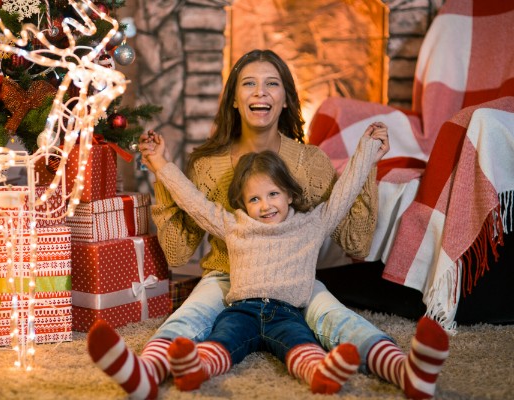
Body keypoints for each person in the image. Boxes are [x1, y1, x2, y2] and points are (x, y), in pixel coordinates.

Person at [87, 49, 449, 400]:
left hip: (295, 277)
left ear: (287, 98)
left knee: (339, 317)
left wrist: (368, 161)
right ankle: (146, 372)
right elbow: (180, 251)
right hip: (228, 276)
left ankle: (404, 370)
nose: (260, 92)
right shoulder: (208, 165)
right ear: (234, 99)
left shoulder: (310, 163)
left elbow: (355, 243)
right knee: (191, 315)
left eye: (271, 84)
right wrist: (161, 169)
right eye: (249, 84)